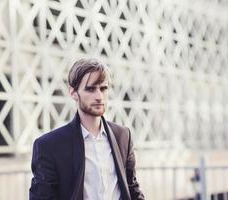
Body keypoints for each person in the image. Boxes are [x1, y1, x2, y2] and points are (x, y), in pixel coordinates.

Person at [29, 58, 145, 200]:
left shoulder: (123, 136)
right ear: (73, 93)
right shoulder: (49, 146)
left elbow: (132, 188)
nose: (99, 96)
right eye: (90, 89)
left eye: (103, 88)